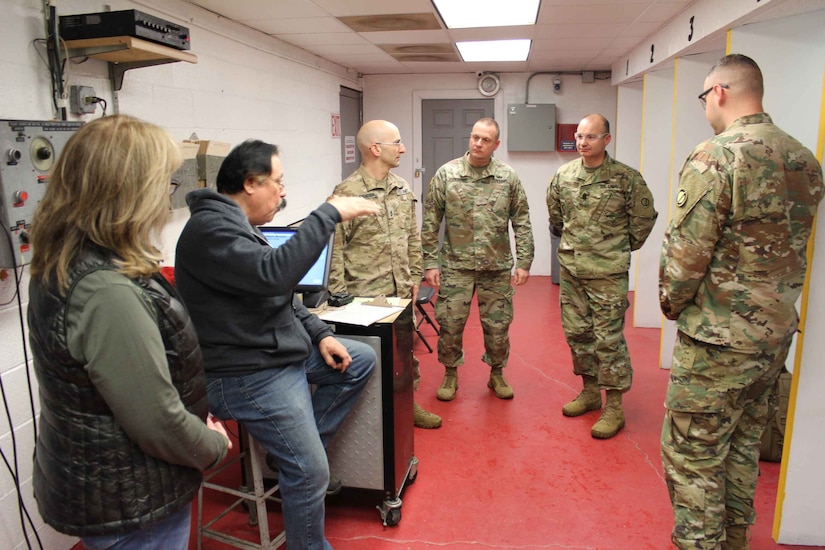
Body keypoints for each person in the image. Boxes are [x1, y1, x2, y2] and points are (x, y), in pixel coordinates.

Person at [27, 115, 231, 549]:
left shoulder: (70, 259)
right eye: (163, 183)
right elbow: (156, 419)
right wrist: (210, 445)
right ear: (131, 192)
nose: (165, 195)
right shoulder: (105, 289)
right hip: (131, 496)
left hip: (113, 483)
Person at [174, 139, 379, 550]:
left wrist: (320, 335)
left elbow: (277, 297)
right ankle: (302, 468)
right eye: (278, 182)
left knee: (359, 359)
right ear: (251, 183)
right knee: (310, 472)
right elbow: (275, 277)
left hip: (270, 356)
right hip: (243, 374)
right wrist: (329, 214)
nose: (283, 192)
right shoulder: (211, 230)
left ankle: (298, 449)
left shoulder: (237, 227)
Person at [659, 54, 824, 550]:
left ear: (719, 93)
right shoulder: (804, 159)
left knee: (692, 455)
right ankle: (734, 540)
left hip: (716, 342)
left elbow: (686, 258)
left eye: (704, 97)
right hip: (772, 340)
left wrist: (671, 305)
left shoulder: (717, 155)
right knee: (741, 448)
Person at [546, 113, 658, 439]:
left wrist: (616, 248)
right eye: (580, 136)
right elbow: (556, 215)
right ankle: (590, 391)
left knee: (608, 340)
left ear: (606, 140)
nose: (582, 142)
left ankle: (615, 406)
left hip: (607, 273)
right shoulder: (564, 175)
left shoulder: (626, 179)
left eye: (590, 137)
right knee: (577, 334)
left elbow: (644, 220)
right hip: (572, 270)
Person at [329, 120, 442, 429]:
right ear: (376, 149)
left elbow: (412, 238)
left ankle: (408, 406)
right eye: (397, 143)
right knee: (370, 358)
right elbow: (336, 251)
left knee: (405, 354)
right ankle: (370, 420)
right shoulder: (348, 194)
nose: (403, 148)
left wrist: (414, 279)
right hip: (366, 296)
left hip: (400, 291)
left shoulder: (401, 187)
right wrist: (339, 298)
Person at [421, 117, 534, 401]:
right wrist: (430, 262)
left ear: (496, 145)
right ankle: (450, 373)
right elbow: (431, 220)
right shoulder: (447, 174)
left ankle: (496, 374)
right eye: (474, 137)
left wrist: (524, 261)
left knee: (498, 326)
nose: (478, 143)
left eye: (485, 140)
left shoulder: (507, 177)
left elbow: (522, 221)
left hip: (495, 267)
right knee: (450, 323)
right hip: (456, 266)